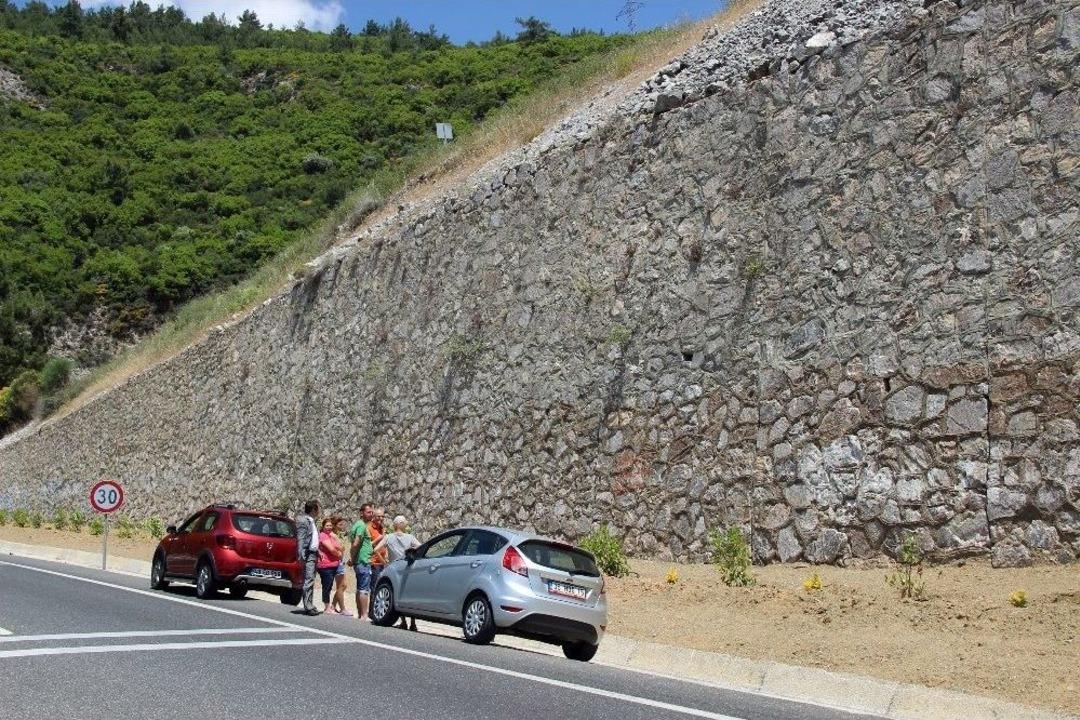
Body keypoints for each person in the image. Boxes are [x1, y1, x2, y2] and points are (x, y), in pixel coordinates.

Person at [378, 514, 420, 630]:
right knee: (410, 593)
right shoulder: (410, 537)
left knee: (398, 593)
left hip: (395, 568)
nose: (406, 524)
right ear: (401, 524)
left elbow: (376, 549)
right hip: (407, 567)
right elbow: (420, 547)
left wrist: (384, 562)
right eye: (405, 522)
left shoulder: (388, 537)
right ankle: (413, 622)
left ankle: (403, 622)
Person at [348, 503, 375, 621]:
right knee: (364, 589)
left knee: (360, 588)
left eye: (371, 512)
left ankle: (360, 614)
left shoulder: (357, 525)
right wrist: (352, 558)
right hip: (363, 561)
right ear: (361, 513)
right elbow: (356, 543)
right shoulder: (361, 526)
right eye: (368, 512)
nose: (371, 514)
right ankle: (364, 615)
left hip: (360, 561)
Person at [295, 499, 321, 616]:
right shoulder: (304, 521)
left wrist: (318, 552)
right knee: (309, 579)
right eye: (318, 508)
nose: (319, 511)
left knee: (310, 579)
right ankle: (308, 606)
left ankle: (309, 604)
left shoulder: (312, 521)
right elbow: (301, 539)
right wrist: (301, 555)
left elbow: (313, 539)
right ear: (314, 509)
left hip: (313, 553)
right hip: (308, 554)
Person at [316, 518, 342, 613]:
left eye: (330, 525)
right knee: (326, 586)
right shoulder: (323, 536)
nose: (329, 527)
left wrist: (335, 537)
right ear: (323, 527)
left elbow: (341, 547)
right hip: (325, 565)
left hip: (334, 564)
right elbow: (331, 549)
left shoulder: (331, 536)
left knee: (330, 585)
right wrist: (339, 554)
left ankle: (328, 606)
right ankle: (327, 607)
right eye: (327, 525)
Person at [331, 517, 351, 616]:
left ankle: (333, 606)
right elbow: (340, 547)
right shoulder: (333, 535)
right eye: (340, 524)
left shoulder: (339, 535)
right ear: (335, 525)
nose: (342, 526)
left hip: (341, 561)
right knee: (341, 585)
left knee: (343, 585)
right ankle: (342, 608)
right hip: (337, 561)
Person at [368, 507, 389, 592]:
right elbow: (368, 545)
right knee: (374, 587)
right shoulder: (369, 528)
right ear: (374, 516)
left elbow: (385, 544)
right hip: (374, 562)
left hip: (382, 562)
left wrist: (386, 555)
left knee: (381, 587)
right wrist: (381, 537)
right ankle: (371, 605)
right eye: (379, 516)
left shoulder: (382, 528)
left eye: (382, 516)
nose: (381, 518)